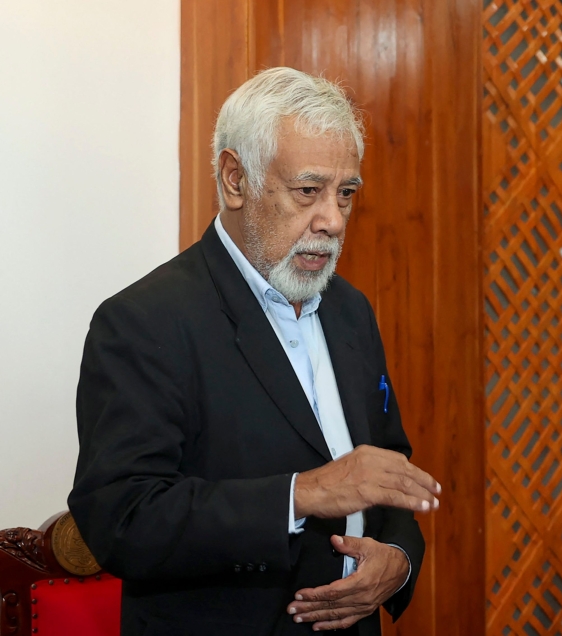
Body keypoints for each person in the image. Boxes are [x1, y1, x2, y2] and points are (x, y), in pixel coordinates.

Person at [69, 67, 440, 636]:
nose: (333, 221)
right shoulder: (144, 322)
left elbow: (383, 472)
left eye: (346, 194)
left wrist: (399, 560)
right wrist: (301, 494)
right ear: (235, 178)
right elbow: (122, 519)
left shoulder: (351, 312)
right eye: (308, 191)